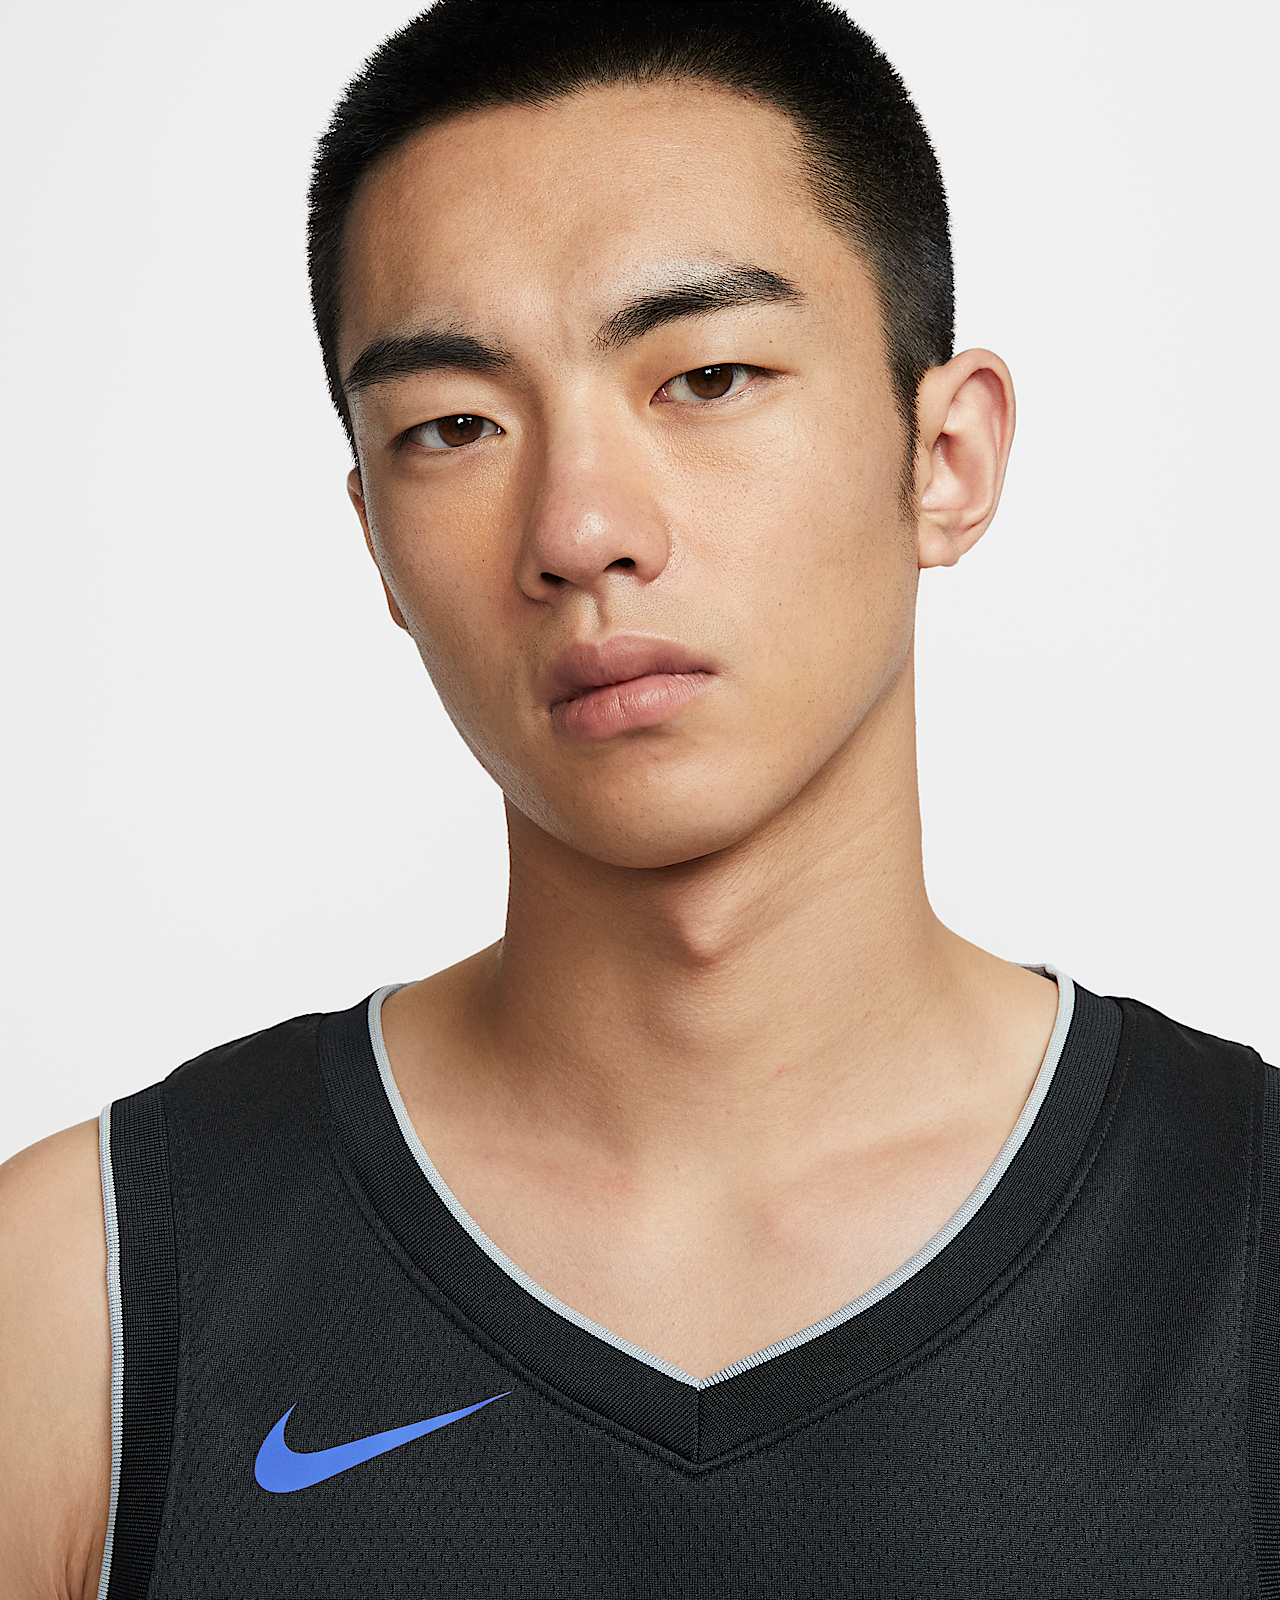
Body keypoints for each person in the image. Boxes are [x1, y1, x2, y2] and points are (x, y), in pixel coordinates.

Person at [1, 2, 1274, 1595]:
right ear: (375, 538)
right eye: (453, 426)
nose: (581, 527)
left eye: (709, 376)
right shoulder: (87, 1303)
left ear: (946, 456)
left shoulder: (1241, 1245)